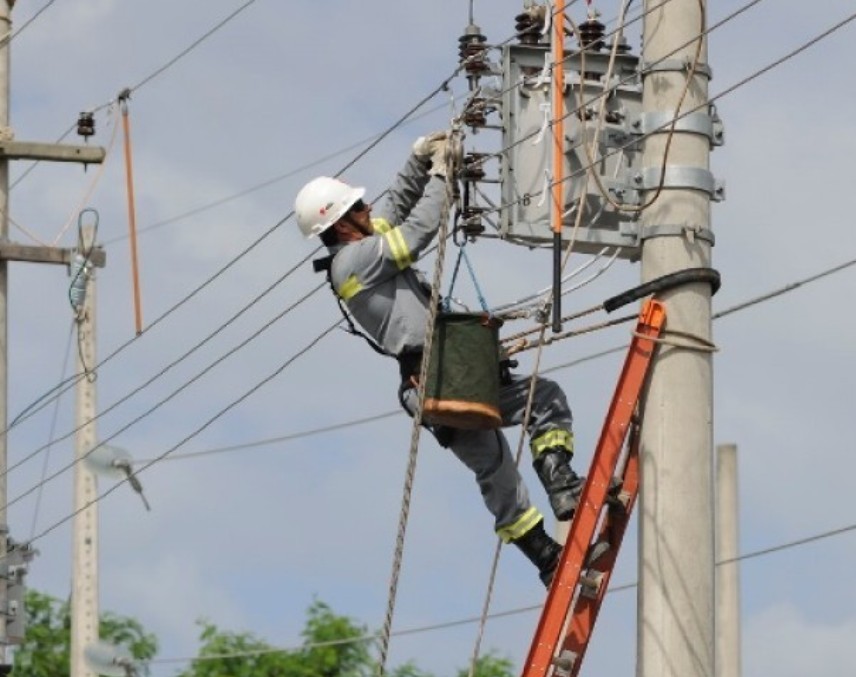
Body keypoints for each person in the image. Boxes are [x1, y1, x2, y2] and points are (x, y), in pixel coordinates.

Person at [294, 132, 585, 587]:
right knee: (521, 429)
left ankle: (553, 522)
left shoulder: (361, 250)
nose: (369, 209)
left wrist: (419, 160)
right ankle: (555, 519)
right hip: (439, 376)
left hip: (438, 376)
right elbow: (417, 231)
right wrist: (442, 176)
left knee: (512, 441)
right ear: (341, 223)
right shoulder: (352, 262)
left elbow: (395, 211)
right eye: (359, 208)